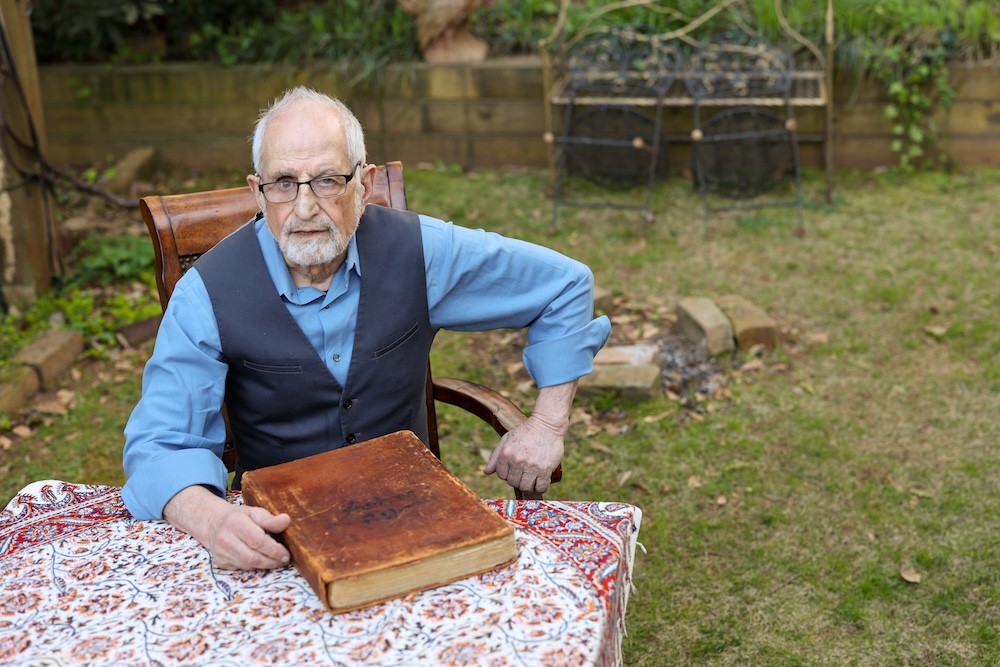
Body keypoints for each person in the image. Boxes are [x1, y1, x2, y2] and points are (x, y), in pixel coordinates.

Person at [122, 86, 611, 570]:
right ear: (258, 191)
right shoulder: (206, 293)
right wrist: (215, 522)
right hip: (282, 539)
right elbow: (159, 446)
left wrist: (546, 427)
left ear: (364, 182)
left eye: (328, 181)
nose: (305, 207)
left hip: (415, 518)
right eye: (284, 183)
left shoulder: (421, 254)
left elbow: (564, 285)